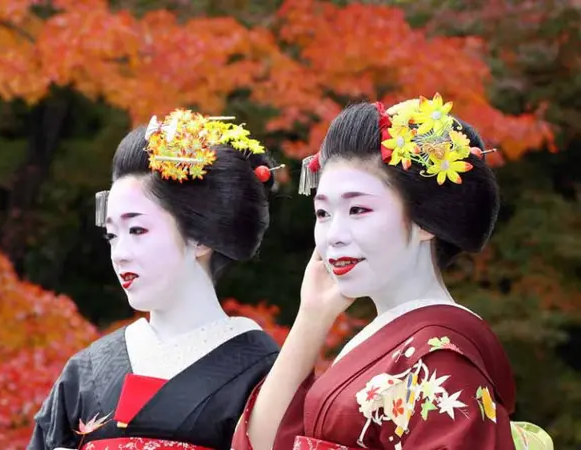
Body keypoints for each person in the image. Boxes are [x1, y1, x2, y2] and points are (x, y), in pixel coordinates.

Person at [232, 94, 554, 450]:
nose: (333, 236)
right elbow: (263, 442)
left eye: (358, 210)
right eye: (323, 214)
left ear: (425, 221)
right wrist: (311, 317)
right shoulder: (396, 339)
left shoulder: (443, 360)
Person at [28, 109, 281, 450]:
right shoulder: (86, 371)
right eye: (113, 236)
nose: (120, 253)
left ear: (200, 236)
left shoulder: (263, 371)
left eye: (137, 230)